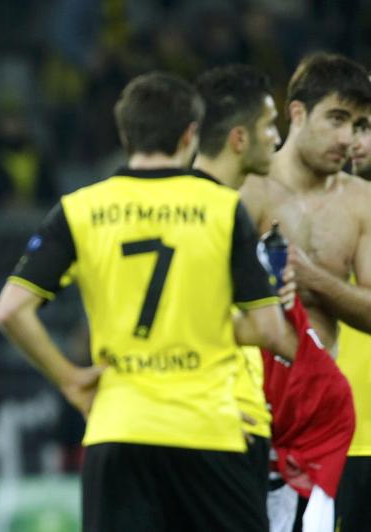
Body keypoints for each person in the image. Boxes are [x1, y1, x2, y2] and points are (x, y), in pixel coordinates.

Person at [0, 71, 299, 531]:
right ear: (190, 134)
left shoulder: (81, 208)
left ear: (125, 132)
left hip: (120, 428)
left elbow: (10, 310)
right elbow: (271, 331)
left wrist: (70, 378)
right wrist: (207, 323)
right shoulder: (220, 209)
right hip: (208, 429)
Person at [196, 63, 356, 532]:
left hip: (278, 423)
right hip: (237, 414)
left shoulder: (347, 203)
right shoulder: (233, 207)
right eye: (269, 126)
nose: (276, 137)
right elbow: (270, 331)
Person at [239, 53, 371, 531]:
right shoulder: (248, 190)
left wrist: (312, 278)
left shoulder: (362, 203)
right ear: (296, 113)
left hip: (313, 424)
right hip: (241, 409)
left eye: (358, 124)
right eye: (336, 118)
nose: (348, 138)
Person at [193, 63, 282, 518]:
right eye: (269, 125)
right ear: (239, 138)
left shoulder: (176, 205)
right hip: (225, 425)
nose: (277, 138)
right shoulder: (216, 214)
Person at [334, 112, 371, 530]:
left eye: (367, 129)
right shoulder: (319, 209)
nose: (354, 141)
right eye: (351, 128)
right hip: (343, 439)